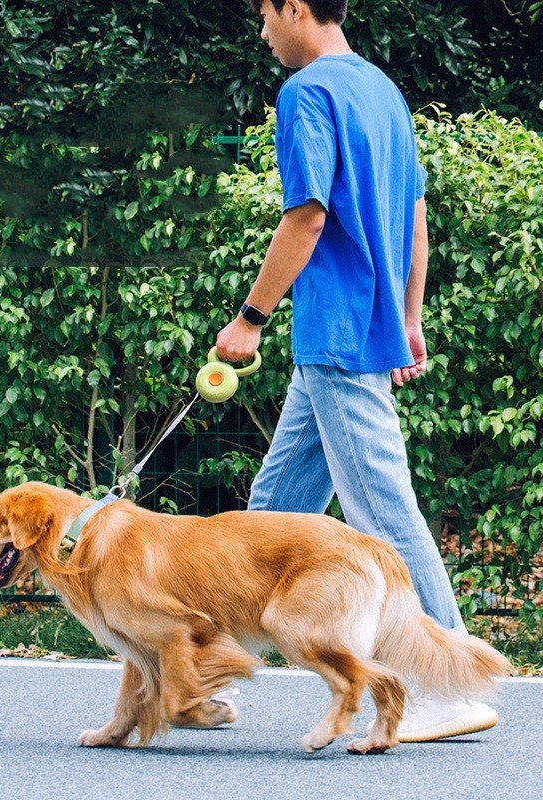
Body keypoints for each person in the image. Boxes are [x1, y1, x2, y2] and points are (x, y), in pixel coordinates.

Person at [214, 0, 498, 742]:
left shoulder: (308, 91)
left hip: (335, 333)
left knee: (383, 512)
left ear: (296, 7)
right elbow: (415, 216)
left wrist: (250, 318)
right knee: (268, 511)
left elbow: (305, 215)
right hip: (348, 336)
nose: (263, 30)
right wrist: (409, 316)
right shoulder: (381, 89)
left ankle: (450, 687)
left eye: (265, 15)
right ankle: (203, 675)